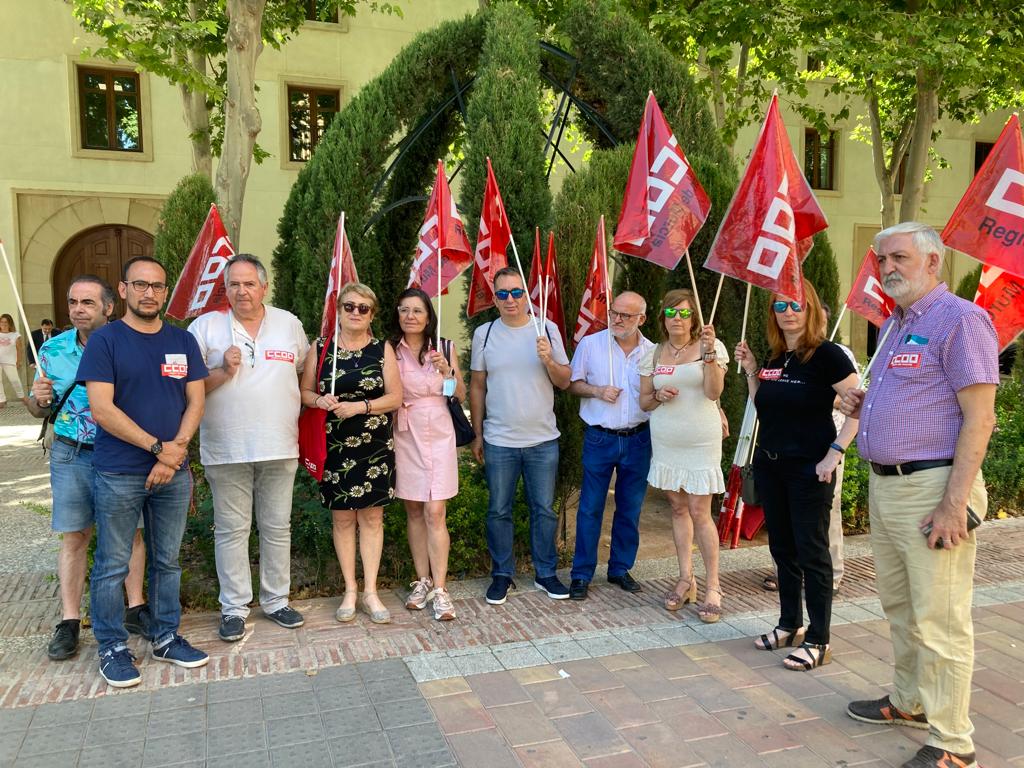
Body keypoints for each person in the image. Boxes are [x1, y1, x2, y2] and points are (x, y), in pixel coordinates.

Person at [840, 223, 998, 768]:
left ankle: (954, 743)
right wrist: (871, 406)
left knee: (941, 618)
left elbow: (980, 418)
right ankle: (909, 702)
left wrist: (955, 504)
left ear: (933, 261)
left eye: (900, 257)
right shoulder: (894, 323)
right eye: (882, 258)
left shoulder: (961, 320)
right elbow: (921, 397)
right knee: (901, 606)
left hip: (934, 489)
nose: (887, 267)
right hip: (889, 488)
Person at [78, 255, 209, 688]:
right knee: (113, 564)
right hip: (120, 471)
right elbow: (102, 409)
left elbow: (196, 401)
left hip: (173, 472)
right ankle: (112, 647)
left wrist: (175, 453)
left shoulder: (182, 341)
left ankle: (166, 636)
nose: (149, 292)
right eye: (140, 285)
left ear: (165, 291)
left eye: (157, 286)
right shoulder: (106, 341)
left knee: (167, 562)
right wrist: (158, 449)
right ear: (123, 289)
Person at [734, 279, 859, 671]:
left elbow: (860, 407)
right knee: (782, 551)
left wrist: (834, 453)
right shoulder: (775, 358)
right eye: (780, 305)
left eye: (797, 304)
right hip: (772, 465)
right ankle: (790, 624)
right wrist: (753, 371)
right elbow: (765, 406)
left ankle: (819, 640)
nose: (788, 312)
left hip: (809, 469)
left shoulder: (829, 356)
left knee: (813, 554)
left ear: (812, 311)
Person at [188, 254, 310, 642]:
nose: (242, 291)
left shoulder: (289, 323)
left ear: (264, 287)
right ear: (225, 289)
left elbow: (306, 371)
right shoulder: (204, 327)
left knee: (277, 528)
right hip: (226, 447)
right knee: (231, 530)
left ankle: (276, 601)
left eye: (249, 283)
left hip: (279, 444)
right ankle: (234, 609)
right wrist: (222, 370)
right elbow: (188, 388)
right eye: (234, 284)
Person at [27, 277, 149, 661]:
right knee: (75, 535)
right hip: (71, 452)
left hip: (121, 454)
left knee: (131, 534)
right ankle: (69, 621)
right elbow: (37, 407)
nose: (78, 309)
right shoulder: (52, 349)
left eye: (88, 303)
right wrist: (38, 399)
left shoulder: (129, 343)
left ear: (109, 307)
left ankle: (135, 607)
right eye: (73, 302)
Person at [299, 282, 402, 624]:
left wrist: (361, 406)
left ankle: (371, 591)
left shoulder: (381, 349)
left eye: (363, 308)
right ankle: (350, 589)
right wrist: (320, 400)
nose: (355, 313)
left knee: (372, 518)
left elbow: (395, 398)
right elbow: (305, 392)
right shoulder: (321, 347)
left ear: (372, 314)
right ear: (338, 310)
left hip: (374, 446)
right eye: (349, 306)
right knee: (342, 518)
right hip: (335, 445)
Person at [469, 267, 571, 605]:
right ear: (494, 298)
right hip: (499, 439)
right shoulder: (484, 334)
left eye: (516, 292)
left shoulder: (547, 329)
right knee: (499, 509)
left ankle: (545, 573)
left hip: (542, 440)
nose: (510, 300)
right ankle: (502, 574)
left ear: (527, 295)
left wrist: (549, 360)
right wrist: (478, 433)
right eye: (502, 294)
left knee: (543, 509)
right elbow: (478, 386)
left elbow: (564, 381)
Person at [639, 289, 729, 622]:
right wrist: (659, 395)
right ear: (662, 317)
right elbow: (644, 402)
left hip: (699, 439)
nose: (678, 319)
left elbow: (713, 392)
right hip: (666, 438)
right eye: (672, 313)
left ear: (695, 318)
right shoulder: (652, 353)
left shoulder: (711, 347)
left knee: (699, 510)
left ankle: (713, 586)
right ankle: (685, 578)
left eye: (685, 313)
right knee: (677, 507)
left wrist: (708, 357)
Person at [566, 291, 653, 600]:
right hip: (600, 437)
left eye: (625, 315)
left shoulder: (653, 352)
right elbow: (572, 384)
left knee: (630, 508)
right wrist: (596, 390)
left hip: (639, 438)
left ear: (641, 319)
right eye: (614, 312)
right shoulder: (591, 345)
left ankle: (619, 569)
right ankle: (581, 574)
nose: (616, 319)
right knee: (590, 507)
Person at [389, 288, 465, 621]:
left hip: (439, 431)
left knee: (436, 511)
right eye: (404, 310)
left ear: (428, 315)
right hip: (406, 432)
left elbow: (458, 394)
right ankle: (421, 581)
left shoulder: (445, 346)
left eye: (417, 311)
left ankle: (441, 588)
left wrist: (447, 372)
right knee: (415, 509)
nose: (410, 316)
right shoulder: (390, 350)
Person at [0, 313, 28, 408]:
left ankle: (22, 397)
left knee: (14, 380)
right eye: (2, 322)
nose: (3, 324)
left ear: (10, 323)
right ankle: (2, 400)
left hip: (10, 360)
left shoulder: (15, 335)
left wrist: (18, 361)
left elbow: (19, 349)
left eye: (6, 322)